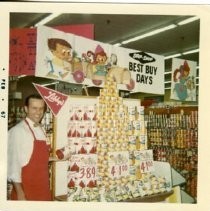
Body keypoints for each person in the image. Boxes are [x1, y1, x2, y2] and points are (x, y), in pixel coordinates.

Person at [7, 94, 52, 201]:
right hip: (26, 191)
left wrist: (58, 158)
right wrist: (20, 193)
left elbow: (38, 158)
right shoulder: (18, 131)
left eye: (41, 108)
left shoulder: (41, 129)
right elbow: (13, 165)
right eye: (34, 108)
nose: (38, 112)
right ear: (26, 109)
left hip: (43, 189)